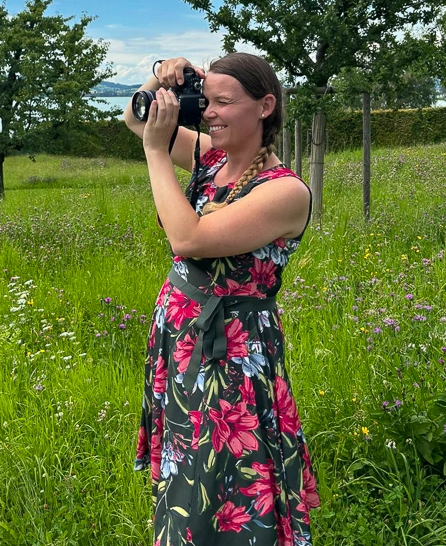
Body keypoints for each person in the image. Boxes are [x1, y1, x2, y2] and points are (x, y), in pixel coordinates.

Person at [124, 53, 320, 546]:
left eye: (223, 102)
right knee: (187, 466)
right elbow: (134, 115)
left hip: (230, 353)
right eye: (205, 101)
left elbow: (188, 239)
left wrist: (155, 153)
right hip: (182, 339)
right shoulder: (213, 158)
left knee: (228, 475)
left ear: (264, 106)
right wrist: (163, 76)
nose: (209, 112)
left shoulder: (284, 191)